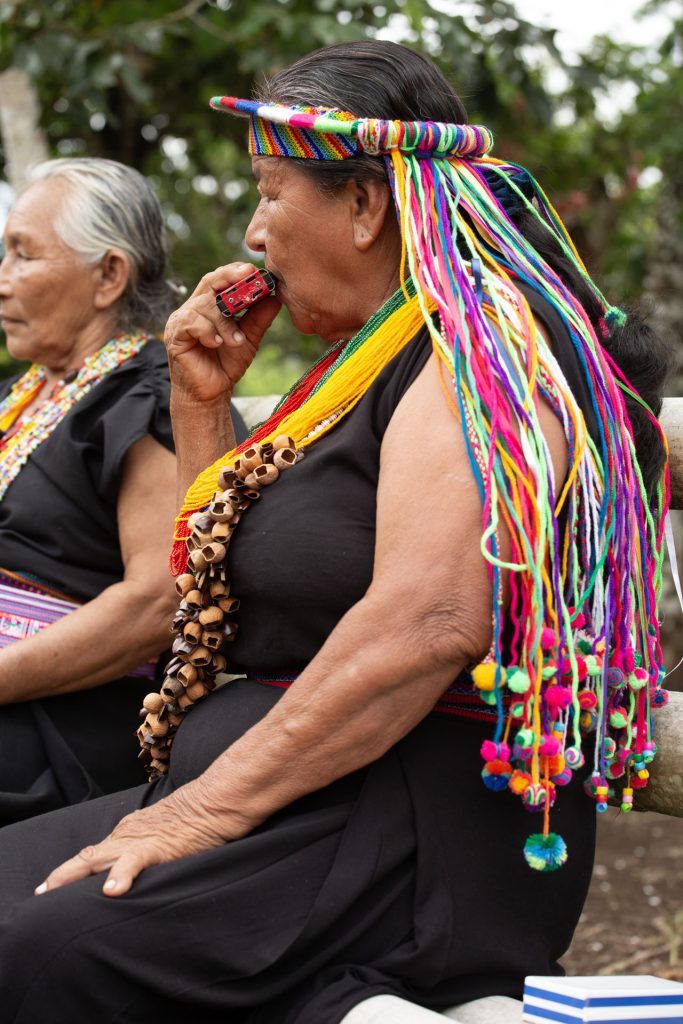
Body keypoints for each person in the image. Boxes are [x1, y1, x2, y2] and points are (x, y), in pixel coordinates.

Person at [0, 41, 671, 1023]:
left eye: (271, 194)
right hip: (294, 801)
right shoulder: (367, 360)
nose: (252, 230)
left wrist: (201, 811)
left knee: (31, 954)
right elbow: (219, 610)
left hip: (404, 827)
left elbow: (427, 621)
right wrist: (199, 405)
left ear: (363, 205)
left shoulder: (480, 342)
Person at [0, 157, 180, 822]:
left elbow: (155, 603)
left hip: (55, 729)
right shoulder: (27, 397)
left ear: (108, 276)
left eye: (23, 255)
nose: (3, 281)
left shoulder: (150, 399)